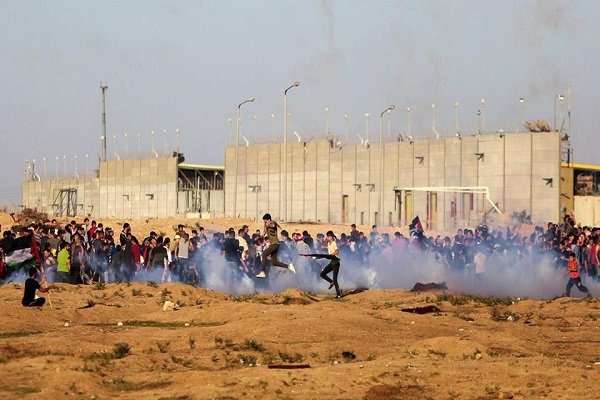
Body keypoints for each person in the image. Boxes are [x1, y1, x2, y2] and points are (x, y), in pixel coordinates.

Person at [256, 213, 295, 278]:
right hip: (274, 244)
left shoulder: (272, 222)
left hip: (275, 244)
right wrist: (260, 236)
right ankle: (289, 266)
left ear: (268, 219)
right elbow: (263, 234)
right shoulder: (266, 225)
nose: (264, 222)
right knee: (274, 262)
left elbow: (273, 225)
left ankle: (263, 272)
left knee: (264, 254)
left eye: (265, 220)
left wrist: (268, 225)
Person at [320, 230, 342, 299]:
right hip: (331, 262)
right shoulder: (329, 243)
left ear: (332, 237)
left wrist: (331, 255)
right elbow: (329, 248)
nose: (327, 238)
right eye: (327, 236)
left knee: (335, 279)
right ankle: (331, 282)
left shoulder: (334, 243)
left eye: (329, 236)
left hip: (336, 263)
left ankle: (339, 294)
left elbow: (337, 251)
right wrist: (324, 247)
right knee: (322, 274)